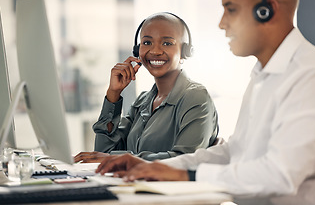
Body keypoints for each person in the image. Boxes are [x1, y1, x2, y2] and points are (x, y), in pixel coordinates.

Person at [94, 0, 315, 204]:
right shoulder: (265, 75)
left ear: (267, 10)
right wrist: (164, 168)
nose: (221, 23)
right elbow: (233, 151)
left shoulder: (311, 75)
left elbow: (280, 174)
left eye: (231, 10)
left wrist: (188, 176)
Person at [75, 12, 219, 162]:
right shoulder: (143, 101)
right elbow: (103, 152)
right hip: (132, 184)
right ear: (137, 50)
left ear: (185, 52)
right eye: (147, 43)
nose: (155, 51)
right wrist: (113, 94)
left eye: (167, 43)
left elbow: (186, 159)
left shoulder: (196, 97)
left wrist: (118, 159)